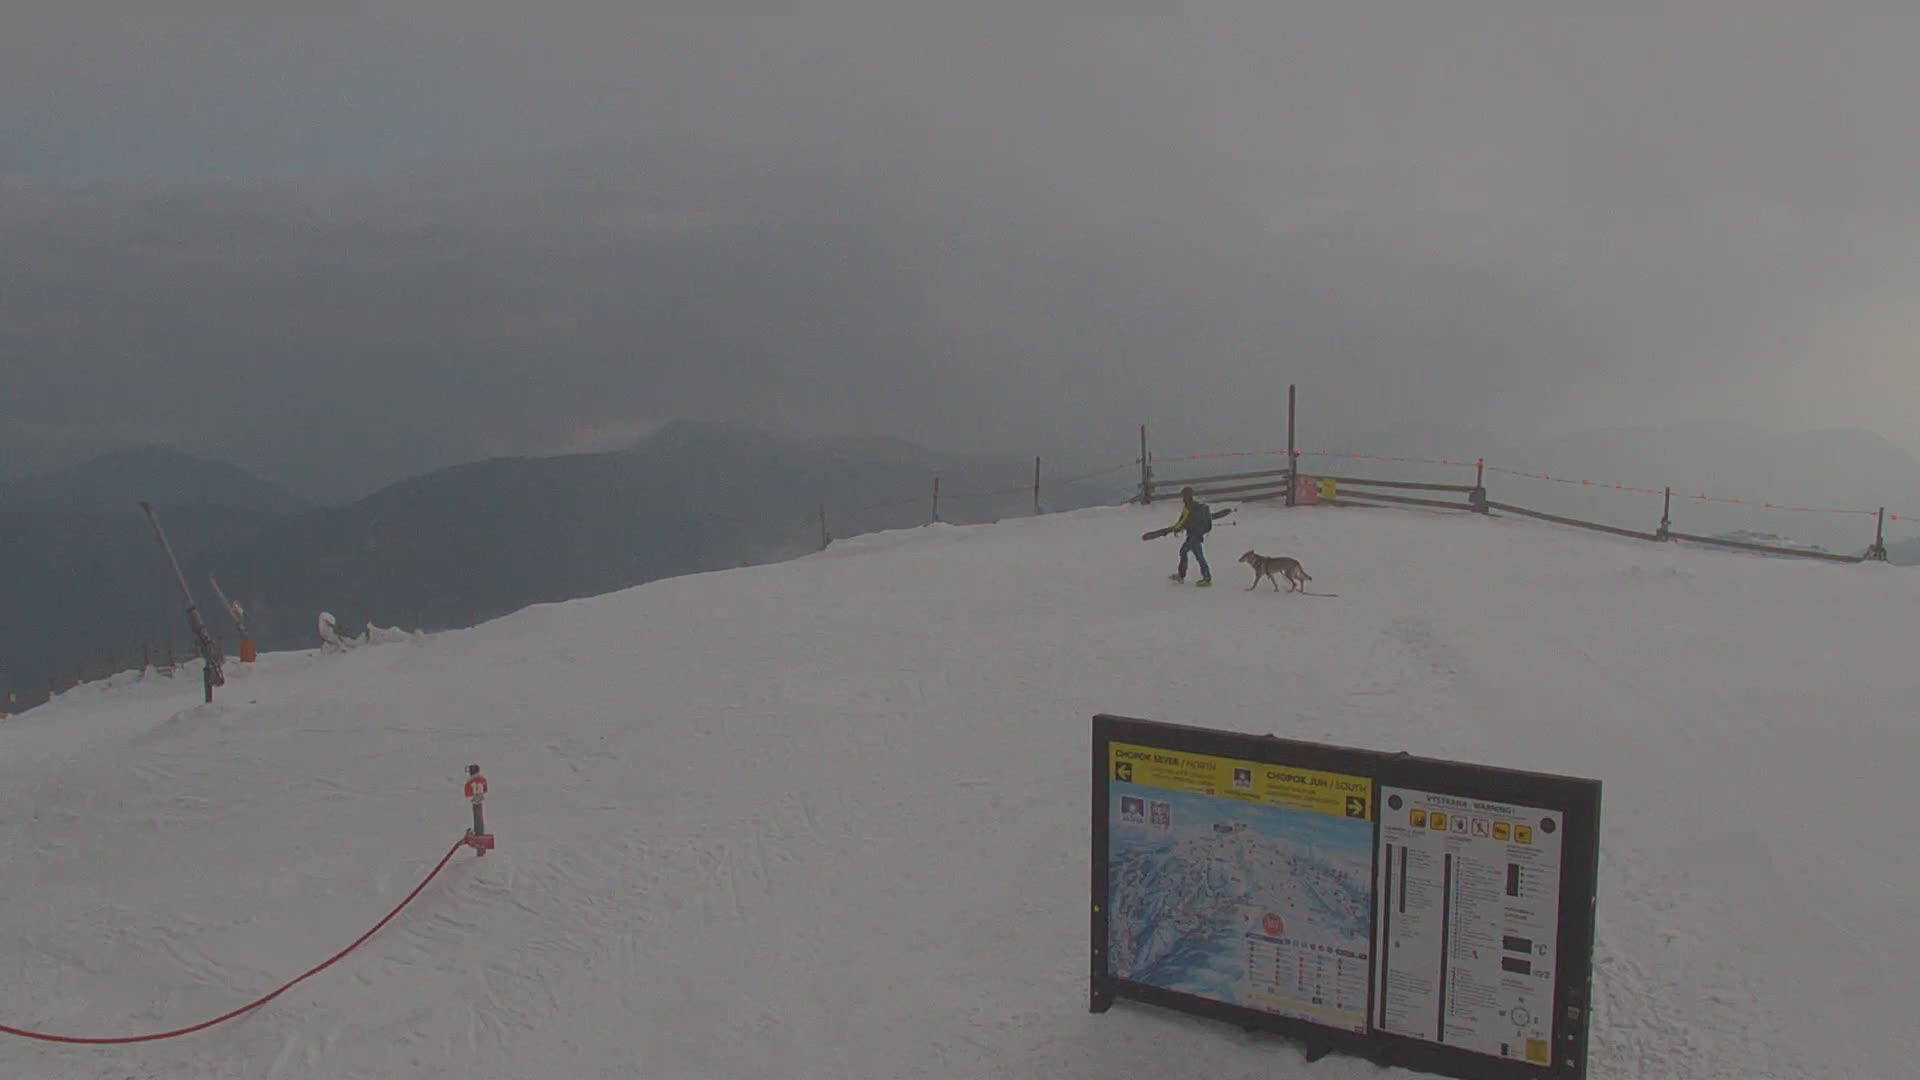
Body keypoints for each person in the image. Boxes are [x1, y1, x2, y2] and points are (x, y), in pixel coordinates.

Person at [1167, 486, 1214, 585]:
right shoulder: (1195, 505)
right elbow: (1186, 520)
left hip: (1193, 535)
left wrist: (1176, 528)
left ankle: (1203, 577)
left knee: (1186, 552)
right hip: (1196, 534)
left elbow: (1182, 520)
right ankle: (1204, 576)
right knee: (1196, 555)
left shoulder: (1188, 507)